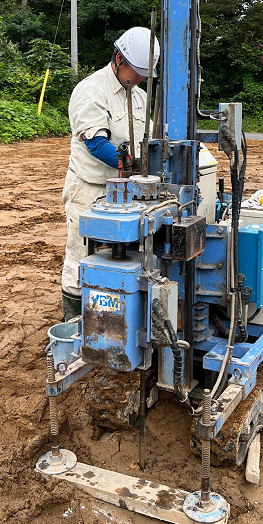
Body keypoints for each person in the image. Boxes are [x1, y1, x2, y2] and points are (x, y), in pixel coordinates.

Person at [61, 27, 160, 321]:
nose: (141, 78)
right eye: (137, 71)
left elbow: (152, 140)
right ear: (118, 59)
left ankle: (116, 316)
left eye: (145, 73)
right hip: (90, 189)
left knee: (128, 253)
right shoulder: (91, 91)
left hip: (129, 193)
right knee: (81, 255)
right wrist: (134, 164)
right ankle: (75, 321)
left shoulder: (140, 97)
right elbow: (95, 143)